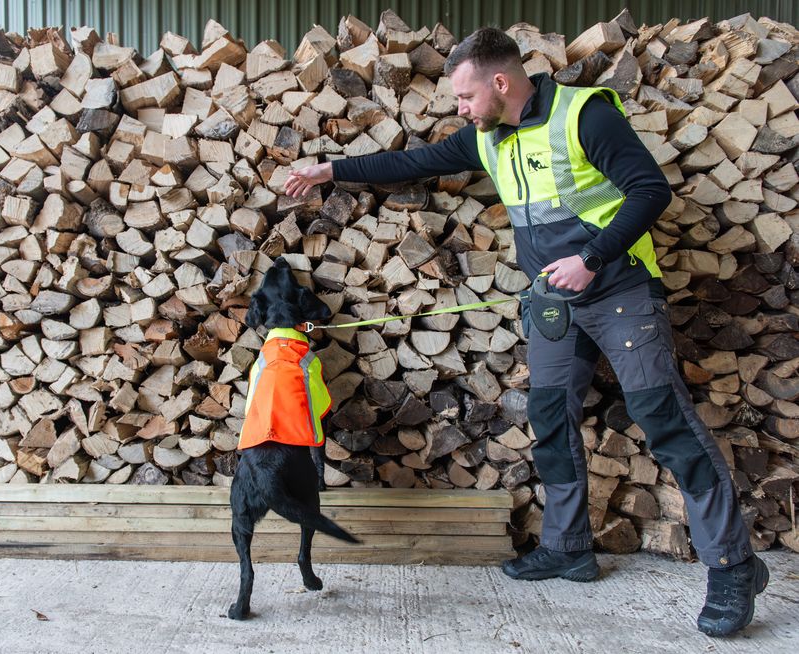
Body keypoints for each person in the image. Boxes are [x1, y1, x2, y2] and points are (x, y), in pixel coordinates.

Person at [284, 26, 767, 637]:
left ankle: (732, 564)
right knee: (550, 415)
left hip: (619, 291)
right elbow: (413, 161)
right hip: (553, 303)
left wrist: (591, 258)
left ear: (500, 82)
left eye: (466, 97)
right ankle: (568, 548)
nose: (461, 109)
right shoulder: (489, 136)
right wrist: (329, 169)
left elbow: (650, 190)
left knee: (664, 420)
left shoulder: (584, 115)